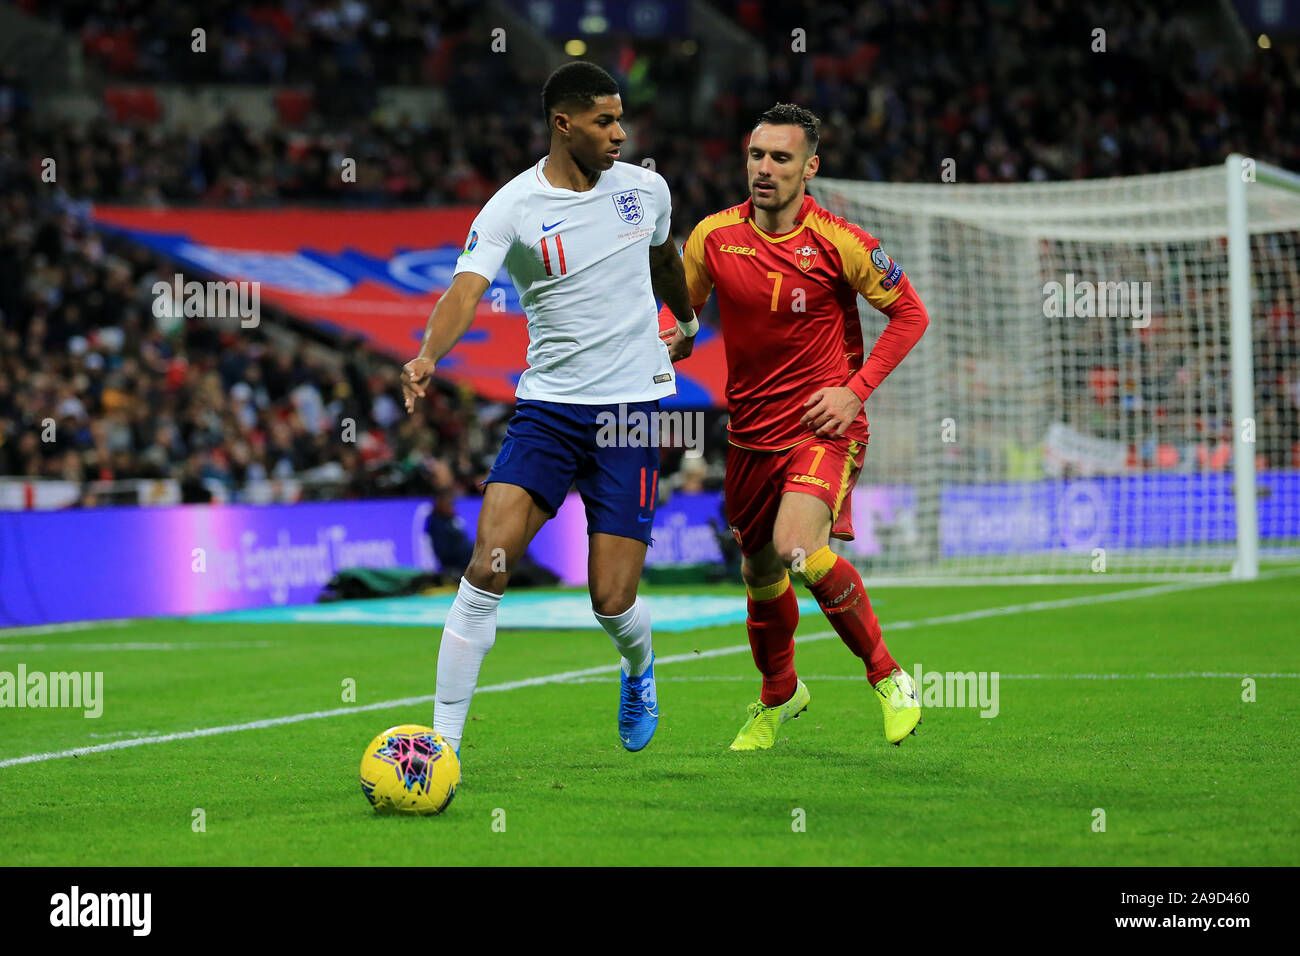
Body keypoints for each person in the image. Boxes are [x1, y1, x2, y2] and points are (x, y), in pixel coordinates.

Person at [402, 62, 698, 760]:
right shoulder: (511, 208)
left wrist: (684, 321)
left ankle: (637, 669)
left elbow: (665, 261)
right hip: (550, 413)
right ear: (564, 124)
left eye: (622, 119)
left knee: (611, 600)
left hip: (629, 415)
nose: (620, 134)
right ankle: (443, 747)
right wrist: (427, 356)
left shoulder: (645, 190)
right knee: (487, 567)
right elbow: (465, 294)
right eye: (604, 121)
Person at [662, 103, 930, 749]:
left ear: (810, 167)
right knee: (759, 575)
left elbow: (911, 315)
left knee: (796, 548)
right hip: (749, 435)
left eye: (780, 157)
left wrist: (854, 390)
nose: (764, 168)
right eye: (756, 155)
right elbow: (683, 314)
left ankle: (891, 677)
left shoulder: (842, 242)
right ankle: (780, 693)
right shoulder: (713, 238)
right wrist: (672, 338)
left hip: (822, 427)